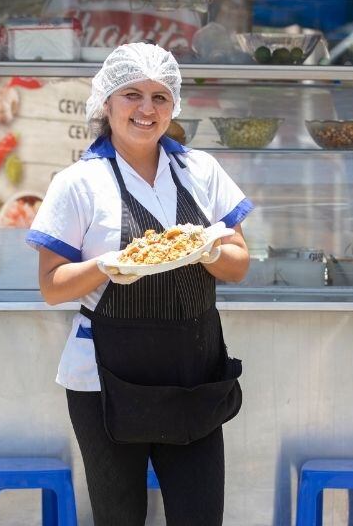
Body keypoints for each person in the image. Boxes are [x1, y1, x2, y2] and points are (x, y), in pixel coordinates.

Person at [26, 42, 253, 526]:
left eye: (160, 97)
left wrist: (206, 250)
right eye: (132, 94)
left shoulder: (200, 171)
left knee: (200, 516)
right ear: (105, 103)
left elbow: (238, 263)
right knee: (119, 517)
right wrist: (108, 265)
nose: (147, 109)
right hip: (107, 379)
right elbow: (51, 285)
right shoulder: (79, 183)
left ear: (174, 106)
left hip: (194, 372)